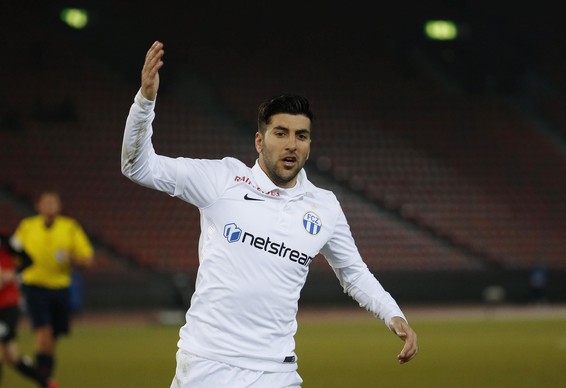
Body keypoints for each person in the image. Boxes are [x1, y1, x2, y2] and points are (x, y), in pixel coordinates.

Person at [122, 41, 418, 387]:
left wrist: (393, 314)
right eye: (281, 133)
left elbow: (354, 274)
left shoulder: (324, 207)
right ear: (260, 141)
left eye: (301, 135)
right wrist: (144, 101)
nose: (292, 144)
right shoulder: (222, 179)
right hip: (207, 366)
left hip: (276, 371)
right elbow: (137, 166)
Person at [10, 191, 94, 385]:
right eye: (45, 203)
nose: (49, 206)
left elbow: (87, 259)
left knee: (52, 338)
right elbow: (12, 252)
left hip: (60, 288)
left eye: (53, 202)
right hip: (34, 286)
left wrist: (71, 258)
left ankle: (45, 376)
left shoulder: (70, 227)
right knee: (44, 333)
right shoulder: (27, 227)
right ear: (38, 206)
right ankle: (44, 380)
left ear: (59, 206)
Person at [0, 230, 57, 388]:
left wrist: (11, 274)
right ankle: (45, 382)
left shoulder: (6, 241)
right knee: (11, 355)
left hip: (7, 305)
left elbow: (27, 260)